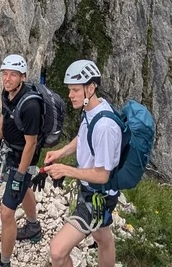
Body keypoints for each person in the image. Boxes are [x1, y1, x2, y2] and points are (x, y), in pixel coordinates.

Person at [45, 60, 122, 267]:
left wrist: (66, 170)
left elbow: (102, 175)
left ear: (91, 87)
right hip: (92, 189)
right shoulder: (93, 109)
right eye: (70, 89)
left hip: (98, 196)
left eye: (76, 90)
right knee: (102, 238)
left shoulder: (105, 127)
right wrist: (60, 152)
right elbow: (83, 137)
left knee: (57, 251)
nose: (70, 95)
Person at [0, 55, 45, 266]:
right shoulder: (8, 93)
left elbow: (31, 144)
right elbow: (4, 116)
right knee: (25, 189)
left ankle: (4, 263)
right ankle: (33, 227)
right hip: (12, 152)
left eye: (13, 75)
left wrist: (19, 176)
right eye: (5, 74)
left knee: (6, 214)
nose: (7, 79)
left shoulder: (30, 106)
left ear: (22, 77)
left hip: (24, 158)